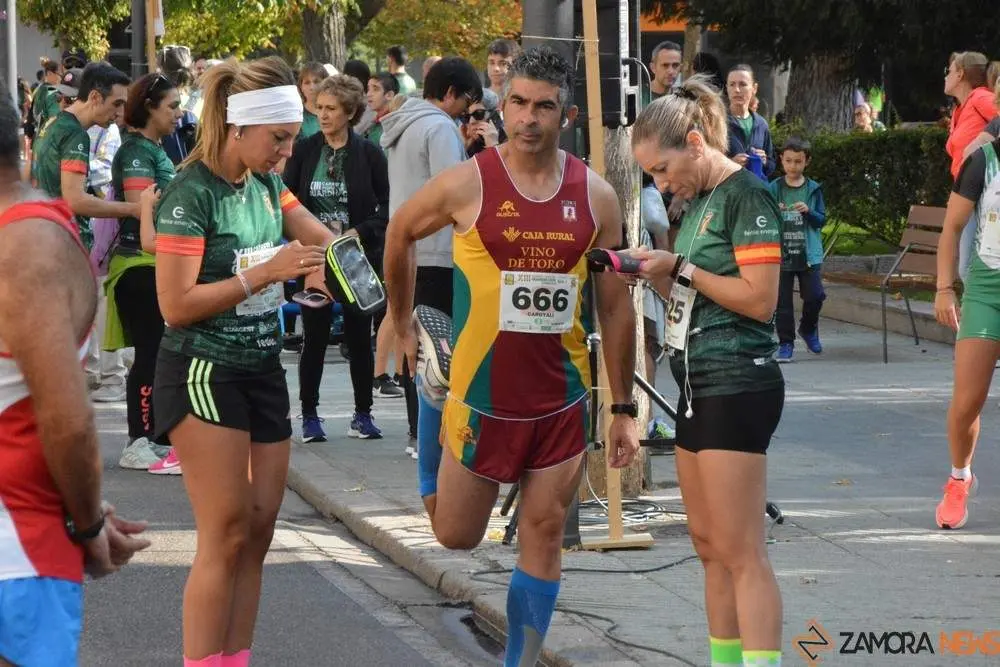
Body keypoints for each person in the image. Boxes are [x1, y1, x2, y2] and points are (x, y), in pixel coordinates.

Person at [384, 47, 640, 667]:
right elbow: (399, 234)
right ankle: (429, 397)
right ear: (503, 104)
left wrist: (624, 407)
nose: (529, 118)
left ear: (568, 115)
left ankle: (519, 663)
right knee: (455, 535)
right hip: (481, 395)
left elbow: (614, 306)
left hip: (562, 398)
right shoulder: (468, 182)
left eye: (544, 107)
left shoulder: (597, 196)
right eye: (518, 103)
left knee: (545, 532)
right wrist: (400, 322)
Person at [151, 56, 335, 665]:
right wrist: (267, 273)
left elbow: (319, 237)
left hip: (260, 370)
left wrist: (354, 272)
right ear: (238, 128)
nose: (287, 152)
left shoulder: (265, 184)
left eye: (291, 138)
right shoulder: (190, 192)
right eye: (278, 139)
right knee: (225, 532)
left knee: (258, 534)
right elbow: (175, 306)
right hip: (204, 368)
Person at [629, 75, 785, 667]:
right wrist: (656, 272)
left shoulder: (749, 195)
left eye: (664, 170)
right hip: (696, 383)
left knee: (743, 550)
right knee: (709, 547)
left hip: (738, 382)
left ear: (695, 141)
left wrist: (682, 269)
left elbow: (760, 299)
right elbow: (689, 294)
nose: (662, 184)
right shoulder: (697, 205)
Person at [0, 79, 150, 667]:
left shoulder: (26, 245)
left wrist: (82, 518)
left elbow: (64, 421)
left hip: (18, 553)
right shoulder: (28, 243)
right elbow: (67, 423)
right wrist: (85, 519)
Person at [380, 56, 481, 456]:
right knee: (438, 347)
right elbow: (454, 192)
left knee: (414, 343)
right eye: (466, 101)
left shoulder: (403, 125)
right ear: (451, 92)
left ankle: (415, 431)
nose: (468, 111)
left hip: (406, 248)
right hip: (437, 251)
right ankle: (432, 431)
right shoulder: (439, 127)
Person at [283, 75, 390, 442]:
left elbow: (387, 206)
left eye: (331, 109)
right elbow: (287, 201)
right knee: (313, 336)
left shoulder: (369, 153)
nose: (323, 115)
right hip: (315, 257)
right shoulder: (305, 149)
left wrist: (359, 231)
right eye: (319, 108)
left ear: (349, 113)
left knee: (360, 338)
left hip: (356, 257)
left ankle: (363, 414)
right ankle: (310, 415)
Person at [104, 73, 183, 471]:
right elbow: (140, 203)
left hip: (156, 262)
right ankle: (140, 440)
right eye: (171, 106)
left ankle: (157, 438)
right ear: (149, 107)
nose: (178, 113)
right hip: (138, 266)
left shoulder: (155, 147)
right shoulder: (136, 151)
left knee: (160, 353)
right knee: (150, 355)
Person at [933, 131, 1000, 530]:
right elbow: (951, 228)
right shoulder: (984, 161)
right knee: (967, 401)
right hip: (987, 290)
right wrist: (944, 288)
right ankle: (960, 477)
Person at [30, 62, 137, 251]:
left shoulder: (54, 123)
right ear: (95, 97)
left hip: (45, 235)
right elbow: (76, 200)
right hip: (65, 243)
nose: (121, 112)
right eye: (117, 104)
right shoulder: (75, 134)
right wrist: (134, 209)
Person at [769, 137, 827, 363]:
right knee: (782, 301)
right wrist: (777, 211)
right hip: (783, 253)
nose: (793, 166)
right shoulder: (774, 188)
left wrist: (808, 212)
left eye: (798, 162)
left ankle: (808, 328)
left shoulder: (813, 189)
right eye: (789, 161)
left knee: (815, 295)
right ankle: (785, 343)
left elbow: (821, 220)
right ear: (781, 160)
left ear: (807, 162)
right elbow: (764, 217)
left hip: (809, 253)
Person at [945, 52, 999, 280]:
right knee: (968, 267)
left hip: (984, 194)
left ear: (960, 74)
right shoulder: (961, 108)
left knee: (968, 267)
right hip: (967, 193)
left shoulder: (980, 98)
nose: (946, 76)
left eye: (949, 71)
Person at [725, 64, 775, 181]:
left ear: (754, 88)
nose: (737, 90)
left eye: (742, 84)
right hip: (728, 193)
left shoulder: (761, 124)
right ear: (726, 88)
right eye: (732, 84)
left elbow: (772, 164)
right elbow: (706, 162)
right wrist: (730, 163)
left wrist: (765, 161)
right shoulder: (718, 122)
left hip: (756, 192)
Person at [461, 88, 504, 157]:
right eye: (467, 116)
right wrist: (463, 147)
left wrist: (494, 146)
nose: (471, 121)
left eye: (478, 114)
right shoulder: (469, 144)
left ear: (494, 115)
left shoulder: (510, 140)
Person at [364, 72, 400, 148]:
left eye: (375, 89)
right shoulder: (375, 123)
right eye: (368, 89)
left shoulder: (394, 125)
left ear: (389, 95)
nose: (368, 94)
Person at [297, 62, 328, 141]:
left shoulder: (335, 112)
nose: (312, 87)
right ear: (301, 87)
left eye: (316, 82)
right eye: (307, 83)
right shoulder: (297, 115)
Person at [31, 58, 62, 133]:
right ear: (49, 73)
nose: (60, 78)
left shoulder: (40, 89)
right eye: (59, 74)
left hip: (40, 134)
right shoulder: (51, 91)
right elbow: (55, 118)